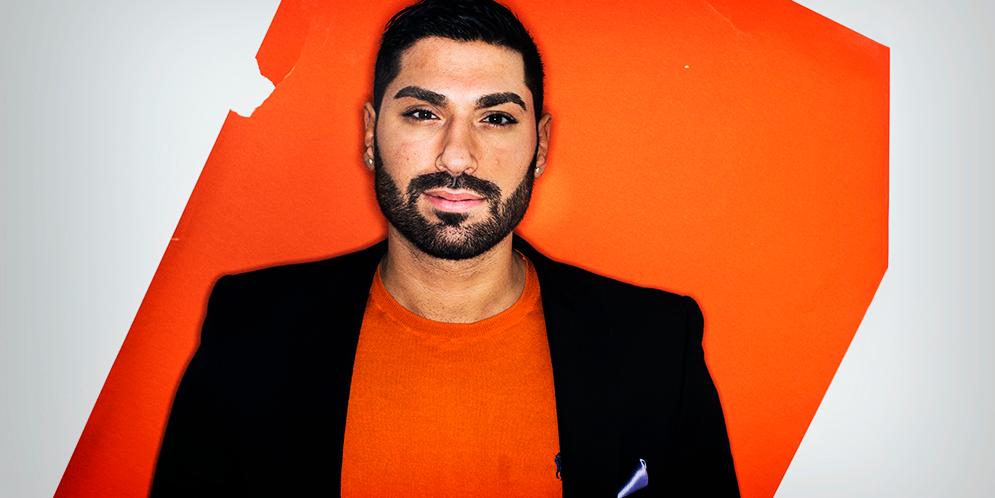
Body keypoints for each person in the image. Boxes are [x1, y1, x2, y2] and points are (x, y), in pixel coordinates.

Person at [151, 1, 739, 496]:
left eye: (497, 118)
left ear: (540, 145)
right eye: (423, 113)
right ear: (370, 134)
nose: (457, 156)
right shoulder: (250, 330)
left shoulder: (658, 347)